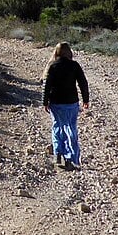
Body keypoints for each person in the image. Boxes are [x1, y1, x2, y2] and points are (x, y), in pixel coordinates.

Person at [42, 41, 90, 170]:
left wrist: (45, 101)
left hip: (56, 102)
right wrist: (86, 99)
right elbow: (83, 83)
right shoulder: (74, 65)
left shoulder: (52, 66)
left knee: (57, 126)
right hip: (71, 102)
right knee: (70, 128)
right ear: (69, 52)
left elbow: (46, 86)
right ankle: (70, 158)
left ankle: (58, 154)